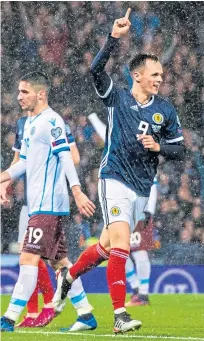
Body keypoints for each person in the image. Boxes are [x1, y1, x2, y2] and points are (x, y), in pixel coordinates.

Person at [54, 8, 185, 335]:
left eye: (162, 76)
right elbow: (95, 69)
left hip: (142, 187)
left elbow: (180, 150)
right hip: (113, 179)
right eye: (154, 74)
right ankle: (120, 314)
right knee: (123, 245)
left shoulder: (165, 110)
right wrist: (113, 38)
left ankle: (67, 279)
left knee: (108, 247)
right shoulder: (117, 99)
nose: (159, 79)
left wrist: (159, 148)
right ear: (137, 75)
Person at [0, 71, 96, 332]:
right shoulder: (31, 123)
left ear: (40, 93)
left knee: (28, 258)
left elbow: (67, 157)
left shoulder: (51, 121)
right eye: (19, 91)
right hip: (40, 205)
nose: (19, 97)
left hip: (48, 205)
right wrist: (3, 178)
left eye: (24, 92)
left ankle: (7, 318)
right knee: (61, 264)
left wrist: (77, 190)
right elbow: (24, 162)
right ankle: (86, 314)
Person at [88, 112, 156, 306]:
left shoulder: (144, 151)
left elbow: (154, 183)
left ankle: (143, 293)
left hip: (139, 209)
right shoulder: (121, 146)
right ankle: (136, 289)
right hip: (122, 207)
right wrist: (93, 117)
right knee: (120, 250)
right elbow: (106, 135)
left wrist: (149, 210)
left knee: (139, 252)